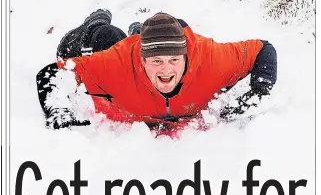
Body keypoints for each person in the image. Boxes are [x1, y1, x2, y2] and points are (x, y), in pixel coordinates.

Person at [36, 11, 277, 131]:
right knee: (107, 38)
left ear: (186, 57)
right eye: (156, 61)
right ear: (142, 61)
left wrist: (259, 90)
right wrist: (59, 113)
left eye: (174, 60)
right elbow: (53, 72)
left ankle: (137, 31)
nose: (166, 70)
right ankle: (96, 23)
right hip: (116, 51)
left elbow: (263, 49)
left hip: (146, 46)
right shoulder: (117, 63)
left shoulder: (211, 60)